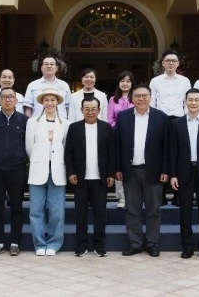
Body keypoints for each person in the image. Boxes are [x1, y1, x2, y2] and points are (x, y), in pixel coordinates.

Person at [114, 84, 170, 257]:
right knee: (132, 209)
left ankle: (152, 243)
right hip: (130, 171)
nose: (141, 99)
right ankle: (135, 243)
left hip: (154, 171)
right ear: (132, 98)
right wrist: (117, 168)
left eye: (144, 96)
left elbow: (167, 146)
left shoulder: (161, 117)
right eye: (137, 96)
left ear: (150, 98)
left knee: (154, 210)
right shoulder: (123, 117)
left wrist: (166, 170)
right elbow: (117, 144)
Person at [169, 88, 199, 259]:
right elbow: (172, 151)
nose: (193, 103)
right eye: (190, 100)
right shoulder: (176, 124)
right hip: (184, 172)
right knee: (185, 212)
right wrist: (173, 175)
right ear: (185, 102)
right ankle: (187, 246)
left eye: (197, 100)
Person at [65, 97, 115, 257]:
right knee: (80, 213)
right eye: (87, 109)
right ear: (81, 110)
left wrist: (111, 174)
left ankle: (99, 245)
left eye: (94, 109)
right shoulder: (74, 128)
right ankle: (81, 245)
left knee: (100, 213)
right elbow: (68, 153)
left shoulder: (106, 128)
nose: (90, 112)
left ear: (99, 110)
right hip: (80, 179)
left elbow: (112, 153)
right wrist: (71, 172)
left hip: (100, 179)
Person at [0, 86, 29, 257]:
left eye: (11, 97)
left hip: (17, 169)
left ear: (16, 101)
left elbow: (27, 144)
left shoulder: (24, 120)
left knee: (17, 206)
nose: (8, 99)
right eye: (4, 97)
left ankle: (15, 242)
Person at [25, 88, 69, 256]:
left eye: (53, 100)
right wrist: (40, 158)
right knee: (36, 210)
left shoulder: (65, 123)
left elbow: (66, 147)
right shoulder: (33, 122)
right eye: (46, 100)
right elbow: (29, 146)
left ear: (57, 102)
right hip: (38, 169)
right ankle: (39, 244)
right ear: (42, 102)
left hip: (58, 169)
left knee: (57, 210)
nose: (50, 103)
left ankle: (54, 243)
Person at [149, 49, 189, 206]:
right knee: (161, 156)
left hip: (179, 120)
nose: (171, 63)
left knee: (179, 156)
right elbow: (152, 102)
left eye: (174, 61)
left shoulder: (184, 81)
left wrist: (185, 120)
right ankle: (162, 195)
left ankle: (179, 195)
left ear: (178, 63)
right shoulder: (155, 81)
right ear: (163, 63)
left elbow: (187, 102)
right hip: (160, 121)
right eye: (168, 60)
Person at [108, 70, 135, 209]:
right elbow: (110, 118)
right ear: (118, 83)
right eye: (122, 81)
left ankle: (135, 196)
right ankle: (122, 197)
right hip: (118, 136)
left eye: (128, 81)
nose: (125, 83)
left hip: (135, 135)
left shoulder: (136, 98)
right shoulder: (113, 99)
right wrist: (117, 128)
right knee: (119, 165)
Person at [23, 55, 72, 120]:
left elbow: (68, 107)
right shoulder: (32, 85)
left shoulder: (64, 85)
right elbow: (28, 108)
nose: (49, 66)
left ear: (56, 68)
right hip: (38, 122)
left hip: (60, 123)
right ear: (41, 68)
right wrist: (29, 123)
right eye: (46, 64)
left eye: (52, 64)